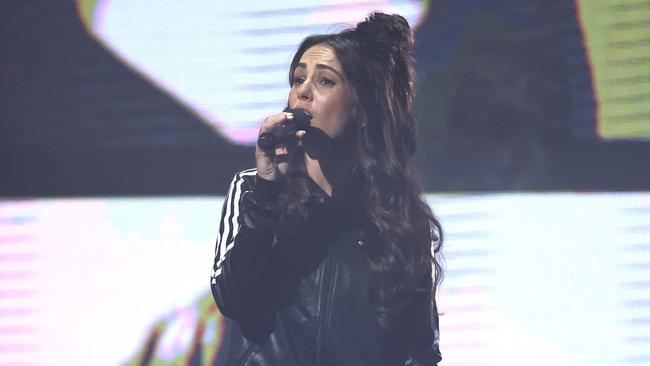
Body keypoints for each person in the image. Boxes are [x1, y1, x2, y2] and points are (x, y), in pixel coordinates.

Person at [210, 12, 443, 366]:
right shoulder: (254, 190)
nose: (302, 91)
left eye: (325, 82)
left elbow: (417, 348)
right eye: (298, 79)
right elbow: (232, 298)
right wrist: (268, 193)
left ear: (361, 105)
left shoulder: (397, 216)